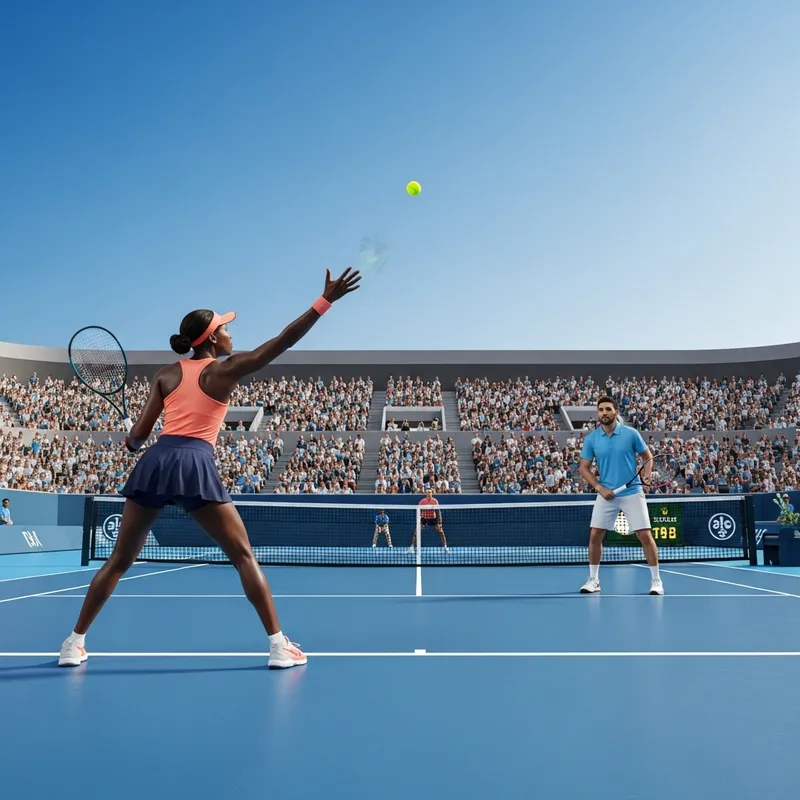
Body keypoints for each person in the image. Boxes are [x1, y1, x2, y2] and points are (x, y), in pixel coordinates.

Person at [57, 267, 361, 669]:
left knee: (118, 561)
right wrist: (324, 302)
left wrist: (132, 442)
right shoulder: (224, 369)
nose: (231, 332)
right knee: (243, 556)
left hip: (157, 460)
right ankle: (278, 646)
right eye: (226, 327)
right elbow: (281, 342)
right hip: (193, 460)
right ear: (213, 338)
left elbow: (138, 437)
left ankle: (73, 643)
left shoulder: (166, 374)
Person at [578, 396, 663, 595]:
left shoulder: (631, 434)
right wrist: (599, 488)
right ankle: (593, 580)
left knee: (644, 535)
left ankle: (656, 581)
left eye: (608, 409)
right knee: (595, 535)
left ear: (616, 412)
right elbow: (584, 468)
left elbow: (647, 457)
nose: (604, 413)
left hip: (632, 491)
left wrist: (647, 473)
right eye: (601, 410)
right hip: (606, 493)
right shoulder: (591, 439)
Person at [408, 488, 449, 553]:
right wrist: (419, 521)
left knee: (441, 532)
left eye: (430, 492)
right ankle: (411, 548)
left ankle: (445, 547)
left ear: (432, 493)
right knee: (416, 532)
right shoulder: (422, 502)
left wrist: (440, 522)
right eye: (427, 492)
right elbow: (419, 512)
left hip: (433, 518)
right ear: (425, 493)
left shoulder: (435, 501)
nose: (428, 493)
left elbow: (438, 512)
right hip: (424, 518)